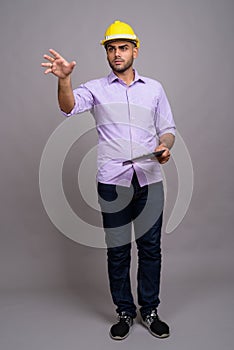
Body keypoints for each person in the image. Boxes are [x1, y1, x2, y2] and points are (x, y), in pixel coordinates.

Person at [41, 20, 176, 341]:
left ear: (135, 50)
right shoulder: (95, 89)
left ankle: (150, 309)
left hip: (149, 180)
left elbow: (168, 130)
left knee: (151, 249)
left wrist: (164, 147)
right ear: (106, 52)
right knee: (118, 251)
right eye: (112, 48)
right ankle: (125, 312)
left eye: (123, 47)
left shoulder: (154, 89)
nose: (117, 54)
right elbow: (69, 106)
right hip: (112, 182)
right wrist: (64, 80)